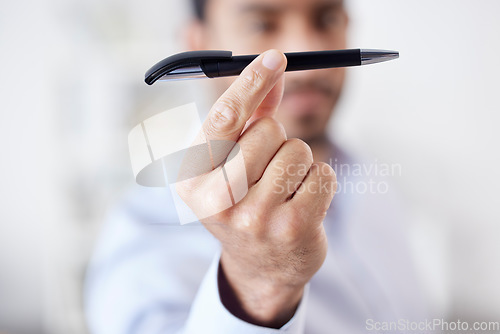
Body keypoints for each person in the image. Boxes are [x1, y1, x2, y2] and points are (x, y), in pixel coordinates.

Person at [85, 0, 428, 333]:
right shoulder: (146, 225)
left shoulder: (368, 173)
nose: (308, 48)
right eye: (262, 23)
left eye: (326, 19)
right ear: (197, 44)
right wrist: (259, 286)